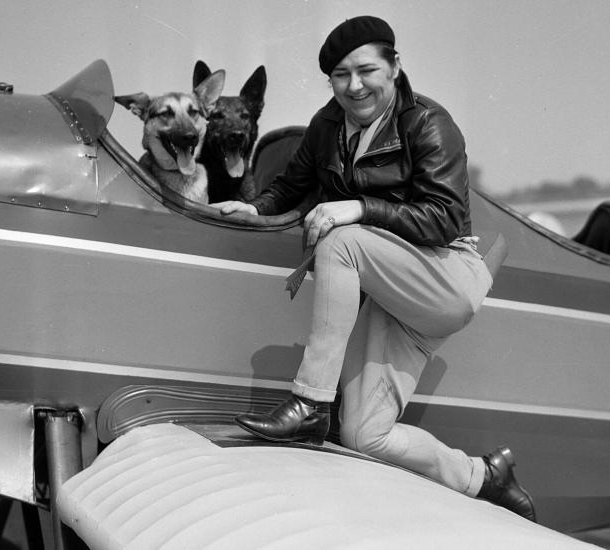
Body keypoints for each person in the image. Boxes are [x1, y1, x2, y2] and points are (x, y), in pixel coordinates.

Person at [211, 15, 536, 521]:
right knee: (365, 434)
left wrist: (359, 207)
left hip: (447, 276)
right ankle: (481, 476)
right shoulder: (327, 126)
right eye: (340, 75)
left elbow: (446, 217)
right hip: (393, 295)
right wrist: (256, 209)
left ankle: (310, 404)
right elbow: (290, 189)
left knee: (341, 241)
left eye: (366, 70)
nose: (354, 85)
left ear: (395, 66)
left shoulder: (429, 123)